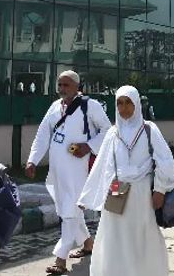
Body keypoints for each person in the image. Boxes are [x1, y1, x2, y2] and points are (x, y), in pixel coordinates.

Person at [77, 86, 174, 276]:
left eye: (128, 103)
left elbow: (165, 160)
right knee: (114, 236)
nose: (124, 108)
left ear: (137, 104)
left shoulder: (149, 129)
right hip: (117, 189)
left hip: (142, 191)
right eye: (120, 104)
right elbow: (102, 166)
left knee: (141, 235)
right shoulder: (113, 133)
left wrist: (161, 190)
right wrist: (87, 196)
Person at [26, 71, 112, 275]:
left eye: (66, 85)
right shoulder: (55, 107)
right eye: (59, 84)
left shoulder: (90, 106)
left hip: (79, 170)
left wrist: (89, 146)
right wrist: (32, 160)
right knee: (69, 208)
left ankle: (60, 258)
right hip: (58, 171)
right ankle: (88, 243)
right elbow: (42, 134)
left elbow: (108, 129)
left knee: (70, 212)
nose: (61, 88)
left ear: (76, 86)